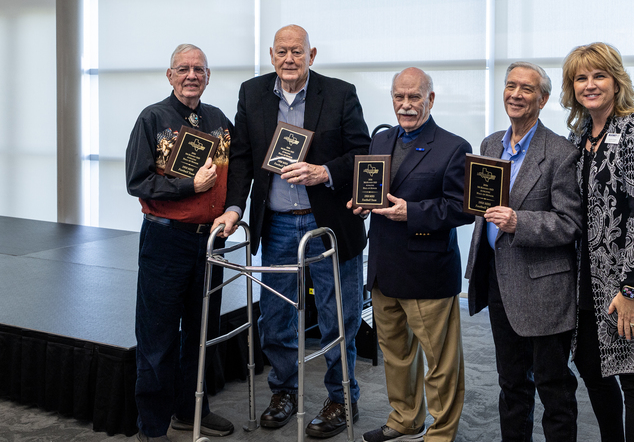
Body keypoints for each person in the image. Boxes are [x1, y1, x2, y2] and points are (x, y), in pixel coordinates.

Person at [213, 25, 370, 439]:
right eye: (282, 51)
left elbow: (363, 152)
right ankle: (283, 393)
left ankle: (341, 398)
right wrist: (233, 208)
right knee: (276, 318)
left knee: (340, 317)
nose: (289, 59)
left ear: (311, 55)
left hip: (329, 225)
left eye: (297, 52)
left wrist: (324, 172)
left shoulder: (339, 93)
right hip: (278, 224)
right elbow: (243, 159)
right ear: (271, 54)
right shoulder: (251, 93)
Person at [560, 42, 634, 442]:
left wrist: (630, 288)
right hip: (589, 280)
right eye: (581, 78)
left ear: (616, 81)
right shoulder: (580, 135)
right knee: (593, 369)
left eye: (599, 75)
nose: (590, 84)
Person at [349, 68, 475, 442]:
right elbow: (377, 190)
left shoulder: (453, 146)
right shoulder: (382, 138)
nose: (406, 104)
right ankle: (405, 418)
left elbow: (462, 209)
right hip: (384, 268)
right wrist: (362, 201)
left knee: (440, 364)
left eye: (414, 97)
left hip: (427, 271)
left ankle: (441, 433)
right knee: (396, 354)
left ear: (430, 99)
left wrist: (412, 212)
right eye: (399, 96)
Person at [465, 62, 582, 442]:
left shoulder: (561, 153)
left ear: (543, 99)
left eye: (527, 89)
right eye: (510, 86)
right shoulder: (490, 143)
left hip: (543, 288)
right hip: (499, 280)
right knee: (511, 384)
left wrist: (520, 222)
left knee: (553, 387)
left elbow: (570, 223)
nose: (515, 94)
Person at [125, 44, 235, 441]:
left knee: (201, 334)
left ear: (209, 76)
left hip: (210, 243)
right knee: (157, 336)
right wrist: (190, 185)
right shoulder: (152, 118)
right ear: (169, 75)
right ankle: (152, 428)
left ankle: (192, 413)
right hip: (166, 240)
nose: (192, 75)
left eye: (199, 69)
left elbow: (237, 171)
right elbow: (136, 181)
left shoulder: (219, 120)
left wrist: (235, 207)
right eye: (183, 69)